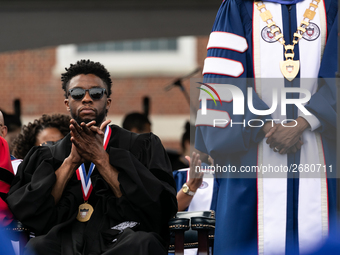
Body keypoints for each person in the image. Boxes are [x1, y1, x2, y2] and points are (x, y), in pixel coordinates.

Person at [195, 0, 337, 254]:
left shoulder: (333, 5)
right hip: (252, 160)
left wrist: (307, 120)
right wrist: (263, 123)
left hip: (324, 157)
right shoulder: (237, 7)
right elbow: (221, 82)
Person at [7, 59, 177, 255]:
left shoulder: (140, 146)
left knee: (143, 243)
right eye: (78, 94)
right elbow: (32, 211)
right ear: (67, 103)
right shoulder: (48, 154)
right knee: (38, 248)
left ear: (108, 102)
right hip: (64, 239)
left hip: (120, 238)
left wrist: (101, 159)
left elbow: (157, 208)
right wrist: (70, 162)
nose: (87, 99)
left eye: (96, 93)